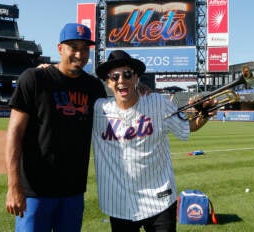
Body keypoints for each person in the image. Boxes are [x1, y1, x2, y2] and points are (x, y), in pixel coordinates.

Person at [91, 50, 217, 232]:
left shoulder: (157, 102)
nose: (121, 80)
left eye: (127, 74)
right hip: (119, 203)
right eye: (114, 76)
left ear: (136, 78)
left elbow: (188, 127)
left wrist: (205, 114)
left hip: (159, 200)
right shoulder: (98, 109)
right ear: (108, 82)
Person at [5, 22, 106, 231]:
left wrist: (138, 87)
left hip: (73, 191)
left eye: (85, 48)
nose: (80, 54)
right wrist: (14, 186)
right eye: (74, 47)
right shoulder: (35, 79)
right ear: (60, 49)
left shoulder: (94, 87)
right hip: (35, 190)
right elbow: (14, 134)